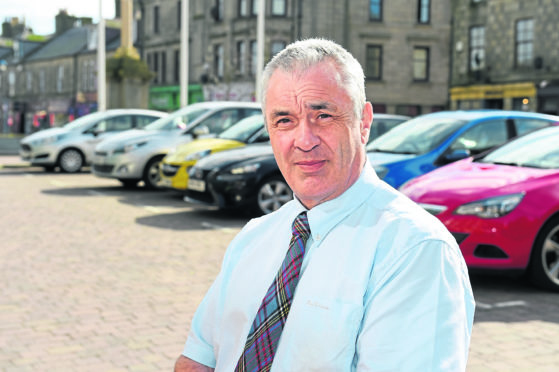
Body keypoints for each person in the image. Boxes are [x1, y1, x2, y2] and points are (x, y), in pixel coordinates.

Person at [175, 38, 475, 371]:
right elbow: (198, 358)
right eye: (284, 120)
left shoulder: (415, 251)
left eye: (322, 115)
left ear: (363, 122)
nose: (303, 140)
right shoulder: (254, 237)